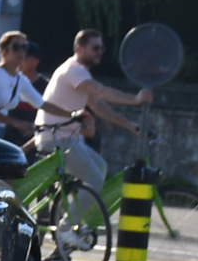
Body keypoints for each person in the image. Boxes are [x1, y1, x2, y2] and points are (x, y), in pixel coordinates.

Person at [34, 28, 152, 191]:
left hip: (68, 138)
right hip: (58, 139)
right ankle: (69, 218)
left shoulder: (81, 75)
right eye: (95, 48)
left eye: (101, 48)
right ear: (80, 49)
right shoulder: (74, 70)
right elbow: (101, 92)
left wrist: (129, 125)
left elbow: (99, 106)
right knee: (95, 180)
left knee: (101, 168)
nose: (100, 52)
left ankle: (74, 211)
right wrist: (136, 99)